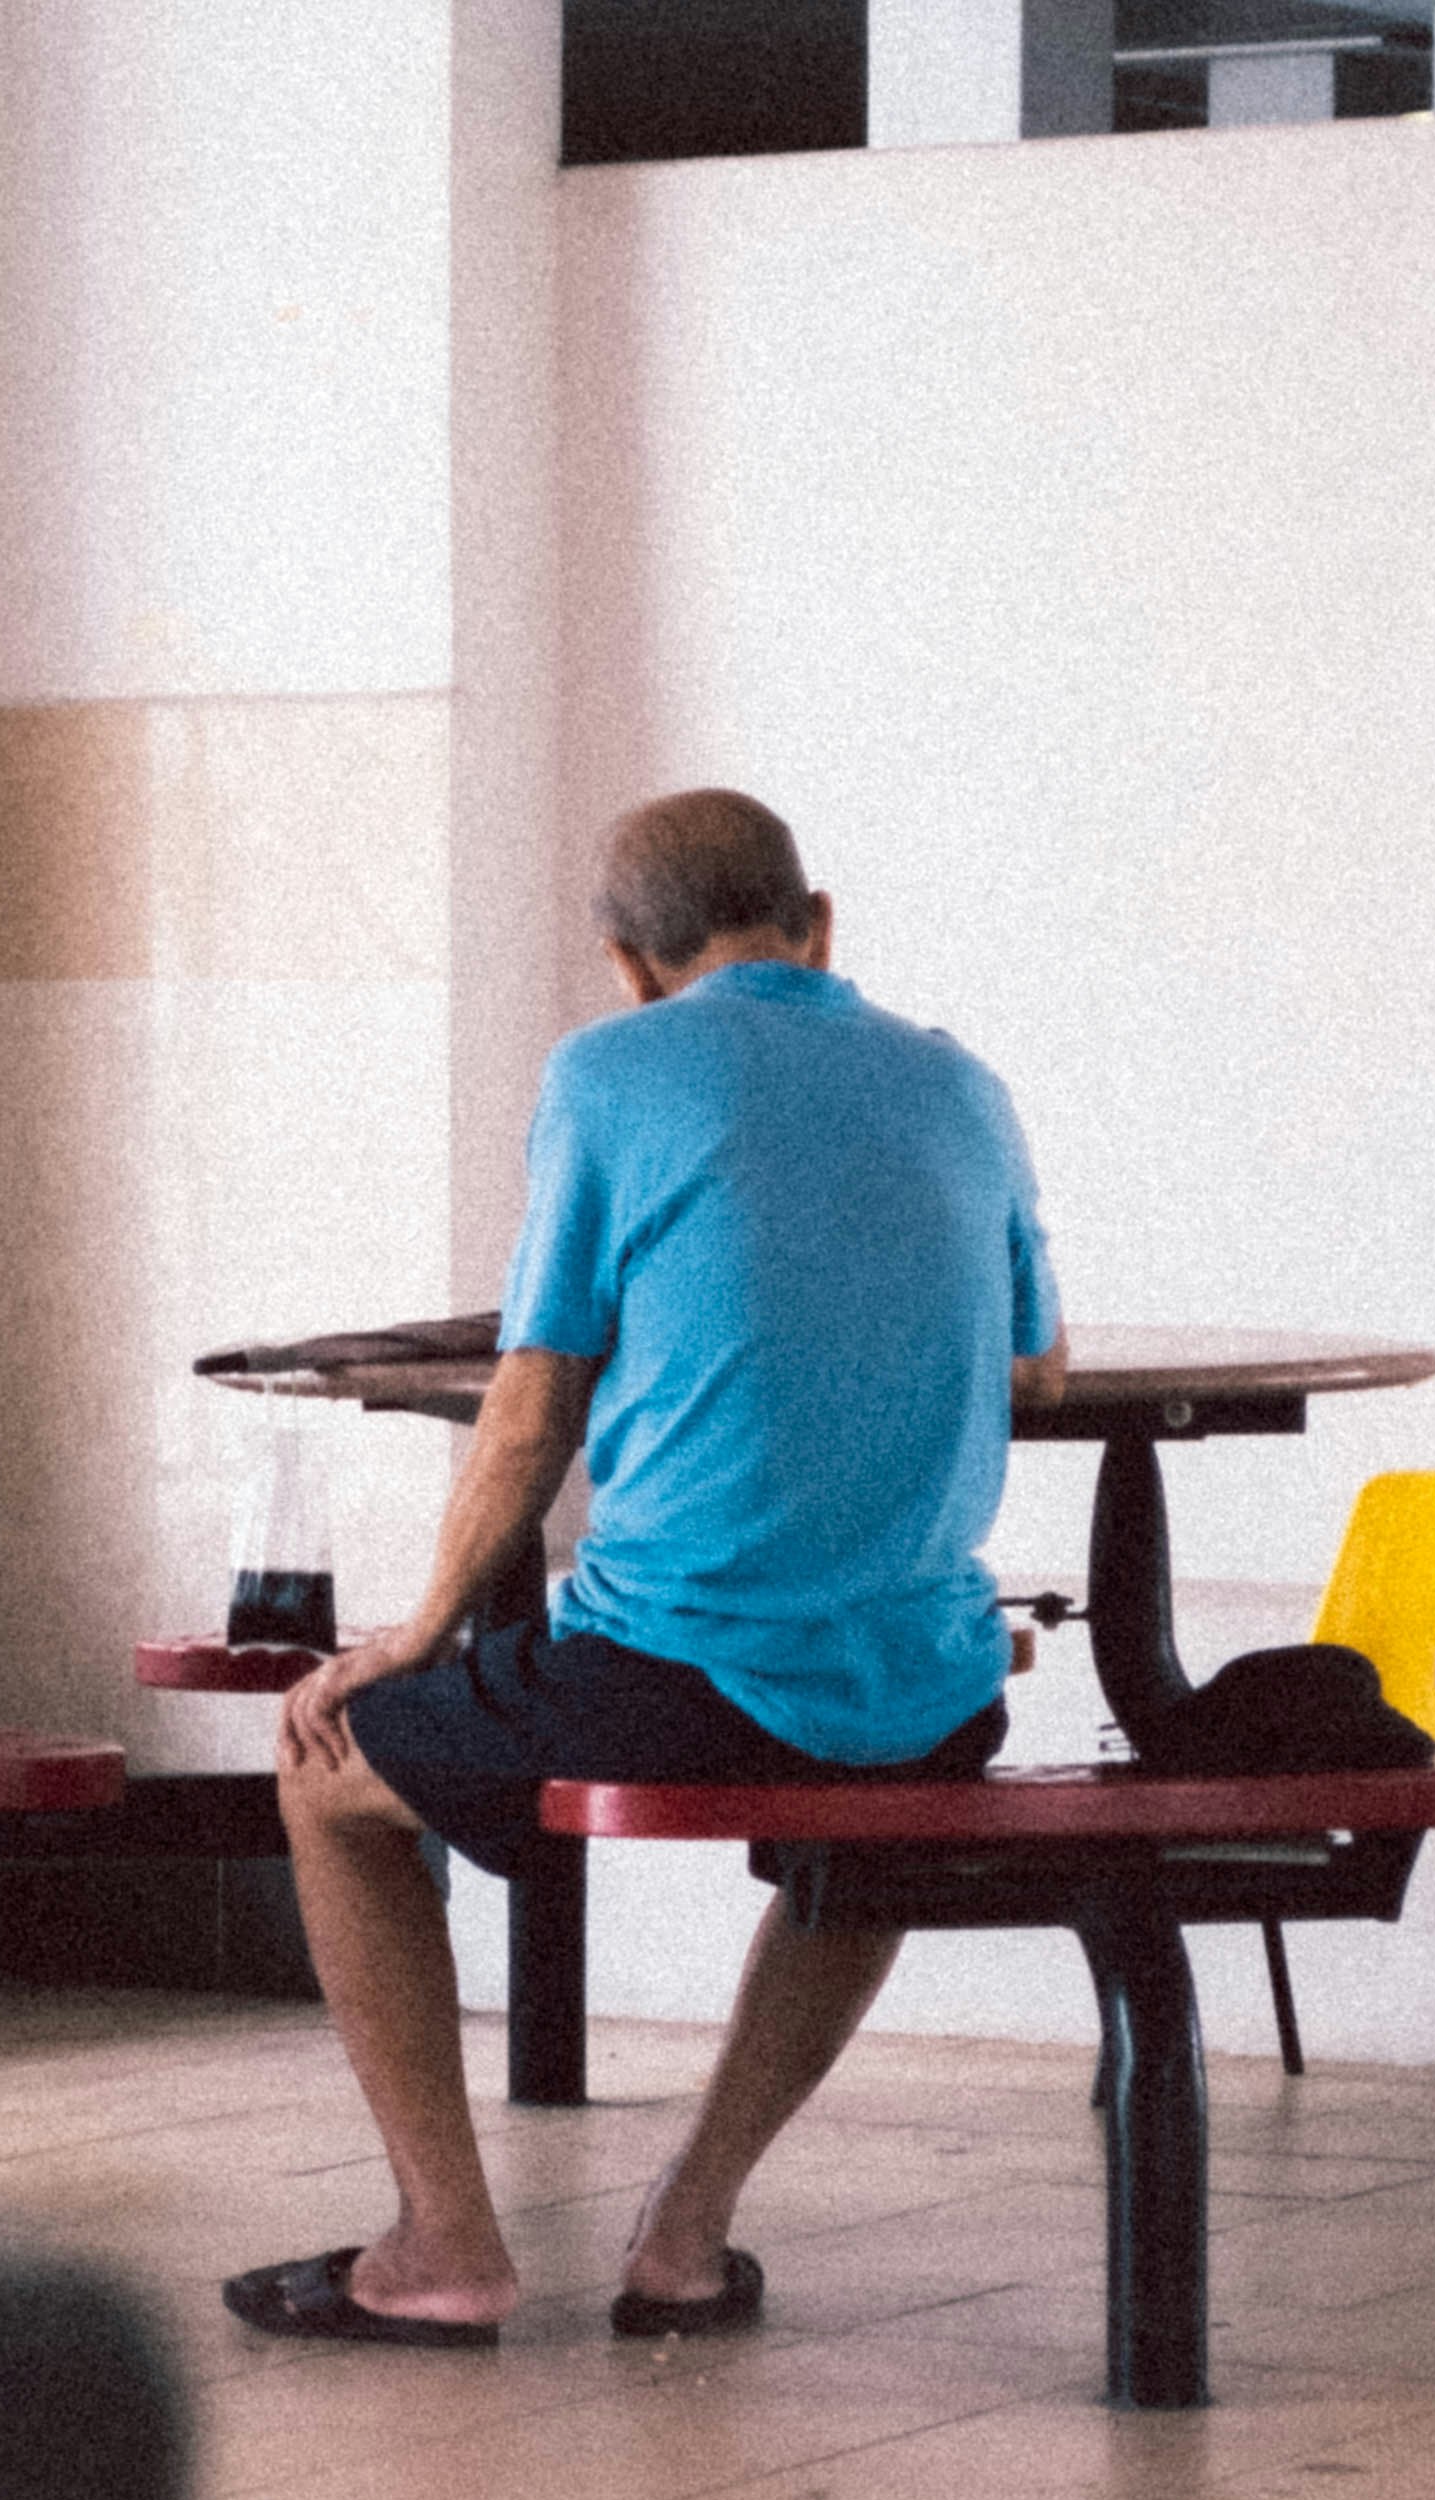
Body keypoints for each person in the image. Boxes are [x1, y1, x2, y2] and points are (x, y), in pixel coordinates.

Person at [234, 788, 1061, 2347]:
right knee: (870, 1815)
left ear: (626, 963)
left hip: (671, 1677)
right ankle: (687, 2232)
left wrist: (414, 1635)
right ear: (822, 925)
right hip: (929, 1680)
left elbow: (537, 1394)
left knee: (327, 1770)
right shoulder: (965, 1085)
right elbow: (1042, 1370)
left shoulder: (611, 1069)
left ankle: (443, 2246)